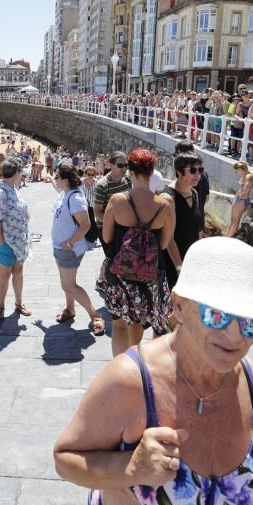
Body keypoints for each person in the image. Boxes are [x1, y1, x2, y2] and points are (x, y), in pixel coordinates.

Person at [54, 237, 253, 505]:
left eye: (252, 322)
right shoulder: (130, 382)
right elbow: (65, 459)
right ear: (178, 306)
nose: (236, 336)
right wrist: (129, 468)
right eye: (217, 315)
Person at [100, 150, 173, 355]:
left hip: (120, 272)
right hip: (151, 275)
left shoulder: (117, 200)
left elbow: (106, 238)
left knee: (120, 324)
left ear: (130, 172)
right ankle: (137, 365)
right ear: (152, 172)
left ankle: (121, 370)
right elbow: (164, 244)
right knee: (140, 322)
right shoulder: (165, 205)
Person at [52, 164, 105, 336]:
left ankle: (95, 316)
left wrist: (69, 243)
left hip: (69, 248)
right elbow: (55, 185)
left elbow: (85, 224)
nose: (55, 180)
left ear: (65, 181)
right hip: (61, 247)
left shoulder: (74, 198)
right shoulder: (65, 193)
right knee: (65, 284)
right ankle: (70, 309)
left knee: (70, 285)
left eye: (57, 177)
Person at [0, 157, 32, 320]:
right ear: (18, 172)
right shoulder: (1, 192)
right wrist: (1, 242)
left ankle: (19, 303)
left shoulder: (12, 187)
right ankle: (0, 306)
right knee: (5, 274)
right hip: (6, 242)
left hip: (18, 241)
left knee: (18, 272)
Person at [161, 152, 203, 291]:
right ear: (179, 172)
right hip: (173, 263)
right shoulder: (168, 198)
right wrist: (179, 268)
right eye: (192, 170)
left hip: (191, 260)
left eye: (200, 170)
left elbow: (197, 230)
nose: (197, 174)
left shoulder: (194, 193)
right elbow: (169, 239)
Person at [94, 152, 131, 257]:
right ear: (111, 165)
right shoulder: (103, 185)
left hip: (124, 227)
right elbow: (97, 212)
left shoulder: (128, 180)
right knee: (113, 260)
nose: (124, 168)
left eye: (126, 165)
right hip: (108, 228)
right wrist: (113, 223)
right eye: (120, 165)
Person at [226, 161, 253, 238]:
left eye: (237, 170)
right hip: (238, 199)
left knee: (235, 220)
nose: (237, 172)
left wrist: (239, 194)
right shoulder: (244, 176)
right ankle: (227, 235)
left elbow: (247, 189)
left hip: (242, 200)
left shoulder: (248, 176)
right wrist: (238, 195)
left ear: (242, 169)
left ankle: (229, 237)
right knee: (232, 219)